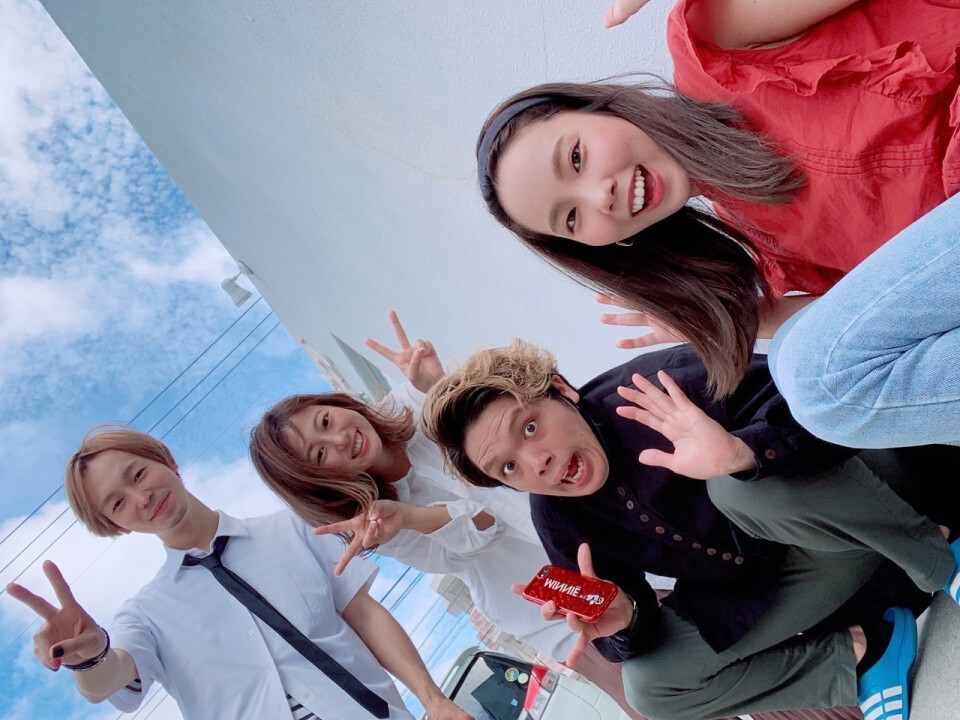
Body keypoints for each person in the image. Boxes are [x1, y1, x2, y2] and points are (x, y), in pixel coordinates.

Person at [421, 340, 960, 719]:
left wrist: (744, 453)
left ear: (561, 390)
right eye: (508, 467)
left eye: (529, 428)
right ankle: (868, 654)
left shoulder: (660, 383)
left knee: (734, 484)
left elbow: (826, 409)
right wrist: (626, 618)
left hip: (878, 500)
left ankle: (945, 559)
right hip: (801, 574)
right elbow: (624, 620)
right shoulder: (557, 516)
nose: (534, 462)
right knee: (652, 687)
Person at [476, 0, 959, 397]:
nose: (600, 196)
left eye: (577, 157)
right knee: (816, 384)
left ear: (600, 107)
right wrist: (745, 317)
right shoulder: (768, 250)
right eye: (571, 218)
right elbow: (904, 319)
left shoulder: (713, 46)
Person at [248, 312, 645, 719]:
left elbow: (502, 421)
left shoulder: (415, 401)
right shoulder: (377, 524)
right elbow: (484, 529)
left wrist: (439, 386)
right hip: (548, 597)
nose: (340, 438)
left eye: (326, 420)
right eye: (320, 454)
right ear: (320, 481)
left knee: (678, 596)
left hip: (601, 531)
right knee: (650, 693)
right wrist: (408, 517)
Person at [5, 427, 471, 720]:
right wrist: (88, 657)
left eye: (138, 474)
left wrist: (432, 699)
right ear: (116, 526)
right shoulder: (144, 615)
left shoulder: (293, 529)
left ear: (166, 459)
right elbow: (112, 679)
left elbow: (365, 615)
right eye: (118, 503)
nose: (141, 498)